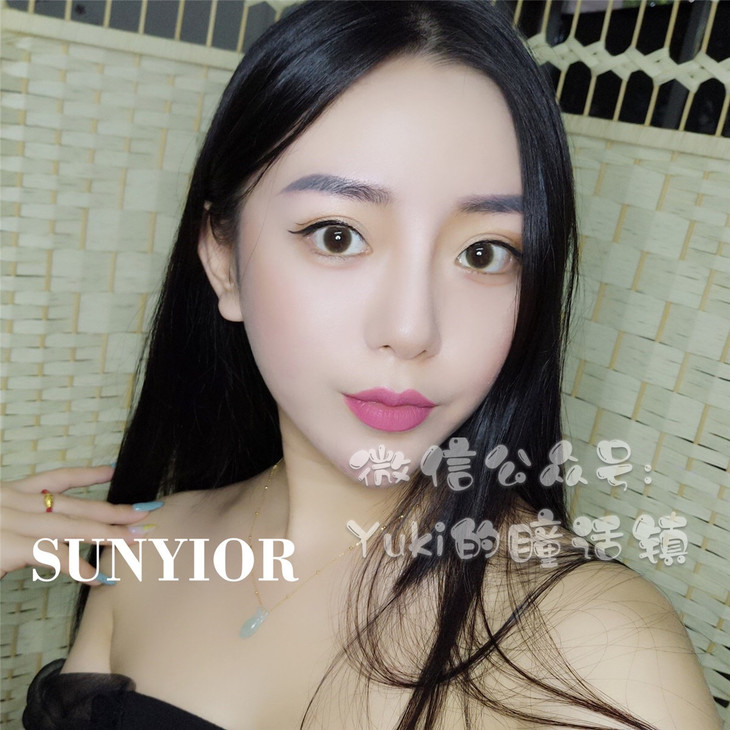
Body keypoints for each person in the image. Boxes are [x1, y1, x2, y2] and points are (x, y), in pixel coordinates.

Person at [1, 1, 720, 728]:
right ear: (223, 259)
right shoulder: (144, 549)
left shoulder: (603, 652)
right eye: (337, 236)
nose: (410, 330)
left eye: (484, 253)